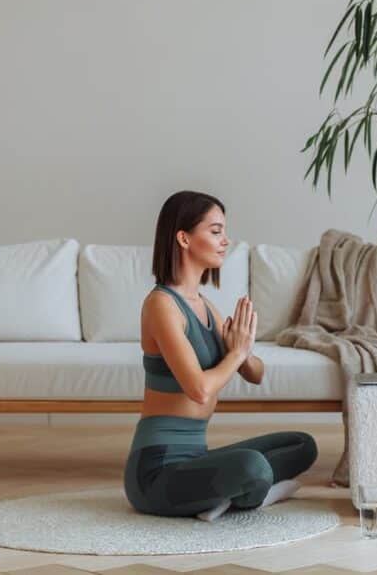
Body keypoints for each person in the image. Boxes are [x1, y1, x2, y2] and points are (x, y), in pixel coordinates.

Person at [123, 190, 318, 521]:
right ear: (183, 238)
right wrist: (236, 352)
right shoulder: (161, 305)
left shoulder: (204, 305)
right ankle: (245, 493)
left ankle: (226, 495)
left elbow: (255, 374)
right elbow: (198, 389)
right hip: (156, 473)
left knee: (302, 445)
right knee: (252, 466)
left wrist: (243, 350)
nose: (225, 241)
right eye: (215, 231)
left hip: (196, 458)